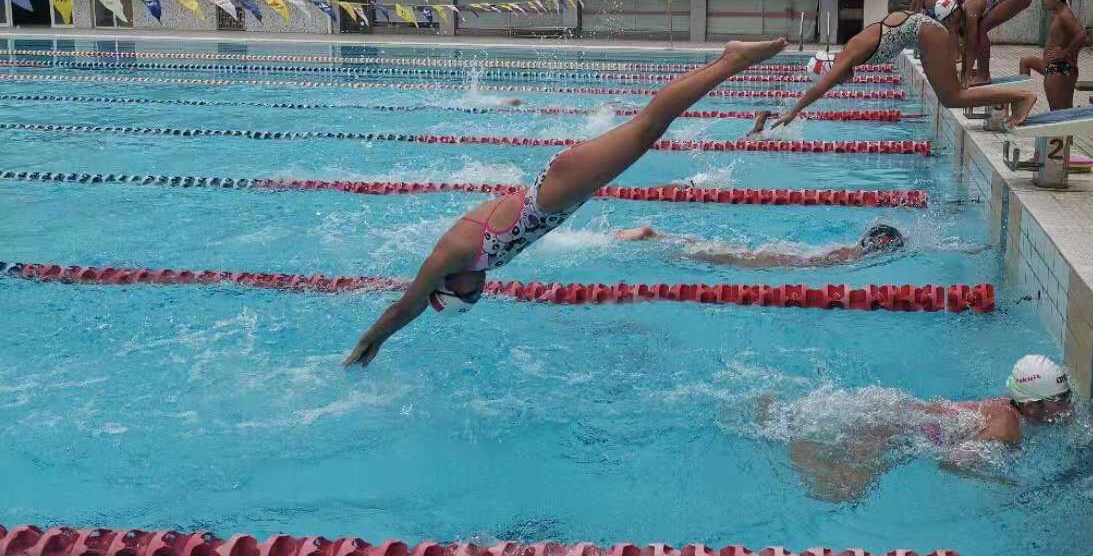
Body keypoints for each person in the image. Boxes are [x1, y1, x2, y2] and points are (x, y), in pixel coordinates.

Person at [342, 38, 789, 367]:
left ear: (448, 285)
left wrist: (371, 341)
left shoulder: (454, 252)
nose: (476, 295)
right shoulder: (471, 264)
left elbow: (408, 304)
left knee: (649, 126)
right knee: (648, 128)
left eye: (465, 299)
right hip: (562, 195)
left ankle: (732, 61)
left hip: (556, 190)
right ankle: (729, 61)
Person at [762, 355, 1074, 503]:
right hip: (890, 428)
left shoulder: (1007, 406)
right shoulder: (1007, 427)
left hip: (896, 412)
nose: (1067, 409)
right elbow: (953, 461)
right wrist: (1003, 481)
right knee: (843, 493)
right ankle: (791, 443)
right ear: (1031, 405)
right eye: (1059, 401)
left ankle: (782, 418)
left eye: (1067, 398)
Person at [770, 0, 1037, 129]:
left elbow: (819, 89)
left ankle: (1022, 96)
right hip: (923, 33)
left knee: (953, 98)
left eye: (835, 79)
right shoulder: (849, 52)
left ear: (829, 69)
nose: (841, 82)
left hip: (925, 32)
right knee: (953, 95)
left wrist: (794, 111)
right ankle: (1015, 97)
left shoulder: (847, 56)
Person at [614, 223, 904, 268]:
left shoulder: (847, 250)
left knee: (714, 251)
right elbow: (812, 263)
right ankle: (656, 237)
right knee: (715, 256)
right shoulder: (847, 256)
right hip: (777, 262)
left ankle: (658, 237)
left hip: (781, 257)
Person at [1019, 0, 1086, 110]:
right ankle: (1024, 102)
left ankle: (1069, 128)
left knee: (1058, 112)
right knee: (1025, 61)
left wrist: (1065, 52)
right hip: (1052, 65)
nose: (1044, 1)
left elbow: (1082, 35)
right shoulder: (1057, 13)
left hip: (1060, 69)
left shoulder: (1064, 15)